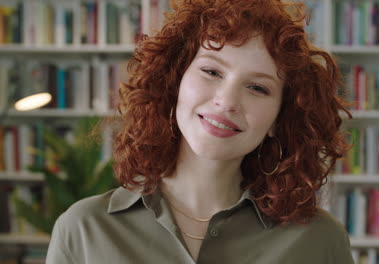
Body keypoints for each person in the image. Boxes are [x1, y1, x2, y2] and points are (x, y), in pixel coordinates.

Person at [46, 0, 354, 263]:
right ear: (175, 80)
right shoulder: (83, 229)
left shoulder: (320, 240)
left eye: (258, 88)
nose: (227, 101)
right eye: (212, 71)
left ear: (279, 118)